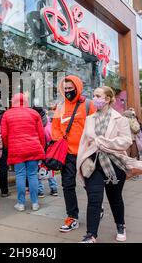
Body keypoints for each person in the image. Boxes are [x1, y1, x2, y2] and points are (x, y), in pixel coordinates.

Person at [77, 86, 132, 243]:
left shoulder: (120, 119)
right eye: (94, 95)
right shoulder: (90, 119)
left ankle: (120, 225)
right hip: (93, 164)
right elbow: (84, 142)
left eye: (98, 95)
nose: (95, 98)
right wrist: (81, 161)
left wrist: (104, 142)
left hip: (114, 163)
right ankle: (91, 235)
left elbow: (126, 140)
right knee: (94, 199)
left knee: (115, 198)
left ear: (107, 99)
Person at [51, 76, 96, 233]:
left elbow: (96, 126)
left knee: (90, 185)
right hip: (68, 154)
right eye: (65, 89)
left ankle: (97, 206)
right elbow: (55, 127)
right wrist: (59, 141)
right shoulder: (60, 106)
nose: (68, 91)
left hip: (86, 153)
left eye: (71, 88)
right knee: (68, 185)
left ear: (78, 87)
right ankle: (72, 217)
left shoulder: (89, 105)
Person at [1, 93, 45, 212]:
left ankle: (21, 203)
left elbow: (4, 134)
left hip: (17, 149)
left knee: (20, 175)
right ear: (26, 101)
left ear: (13, 101)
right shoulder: (34, 113)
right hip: (33, 148)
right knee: (32, 175)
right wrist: (42, 146)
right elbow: (41, 133)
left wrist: (8, 146)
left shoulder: (7, 114)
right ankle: (35, 203)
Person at [33, 106, 58, 198]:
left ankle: (40, 191)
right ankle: (54, 188)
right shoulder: (48, 121)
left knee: (37, 169)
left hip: (39, 149)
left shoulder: (36, 122)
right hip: (49, 149)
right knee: (49, 168)